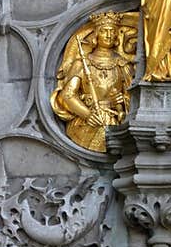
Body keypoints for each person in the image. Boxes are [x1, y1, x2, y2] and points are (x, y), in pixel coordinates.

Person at [51, 11, 135, 151]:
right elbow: (68, 94)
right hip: (87, 122)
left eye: (112, 31)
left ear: (116, 36)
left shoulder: (122, 65)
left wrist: (121, 104)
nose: (108, 35)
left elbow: (133, 96)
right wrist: (87, 114)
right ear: (96, 35)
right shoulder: (82, 63)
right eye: (104, 31)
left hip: (114, 121)